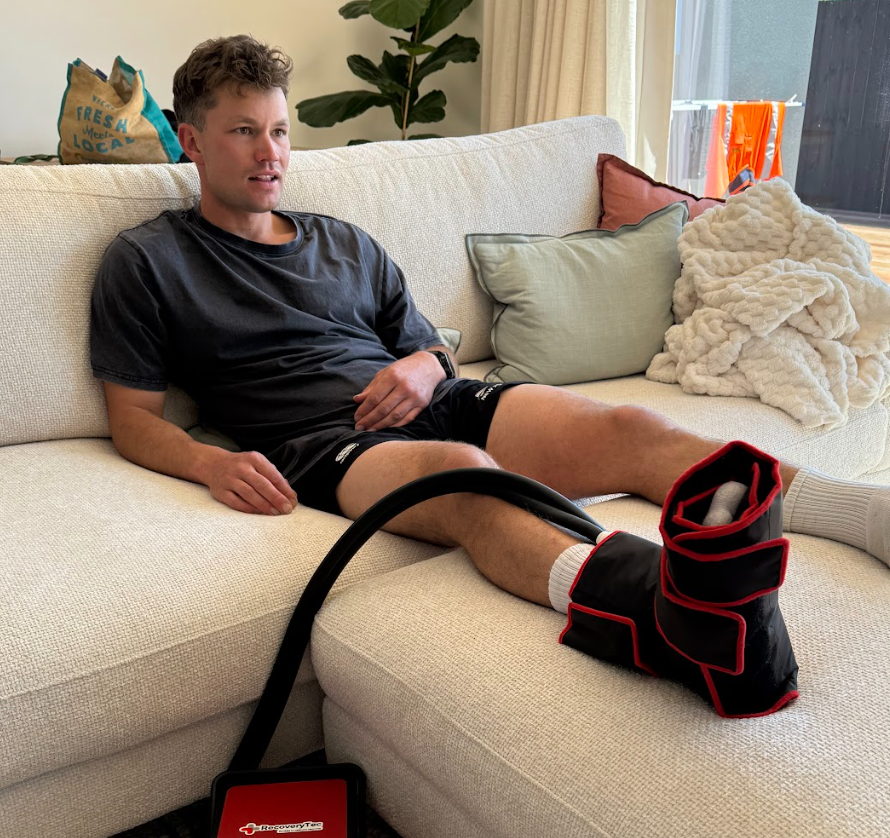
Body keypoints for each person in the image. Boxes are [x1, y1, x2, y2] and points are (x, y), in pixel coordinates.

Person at [90, 34, 890, 638]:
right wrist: (210, 462)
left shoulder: (342, 240)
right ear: (191, 140)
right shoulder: (149, 259)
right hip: (321, 445)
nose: (271, 155)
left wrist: (422, 366)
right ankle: (653, 615)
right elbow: (133, 416)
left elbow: (433, 344)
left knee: (631, 427)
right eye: (243, 132)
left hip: (435, 404)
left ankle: (861, 514)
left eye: (280, 132)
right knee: (466, 477)